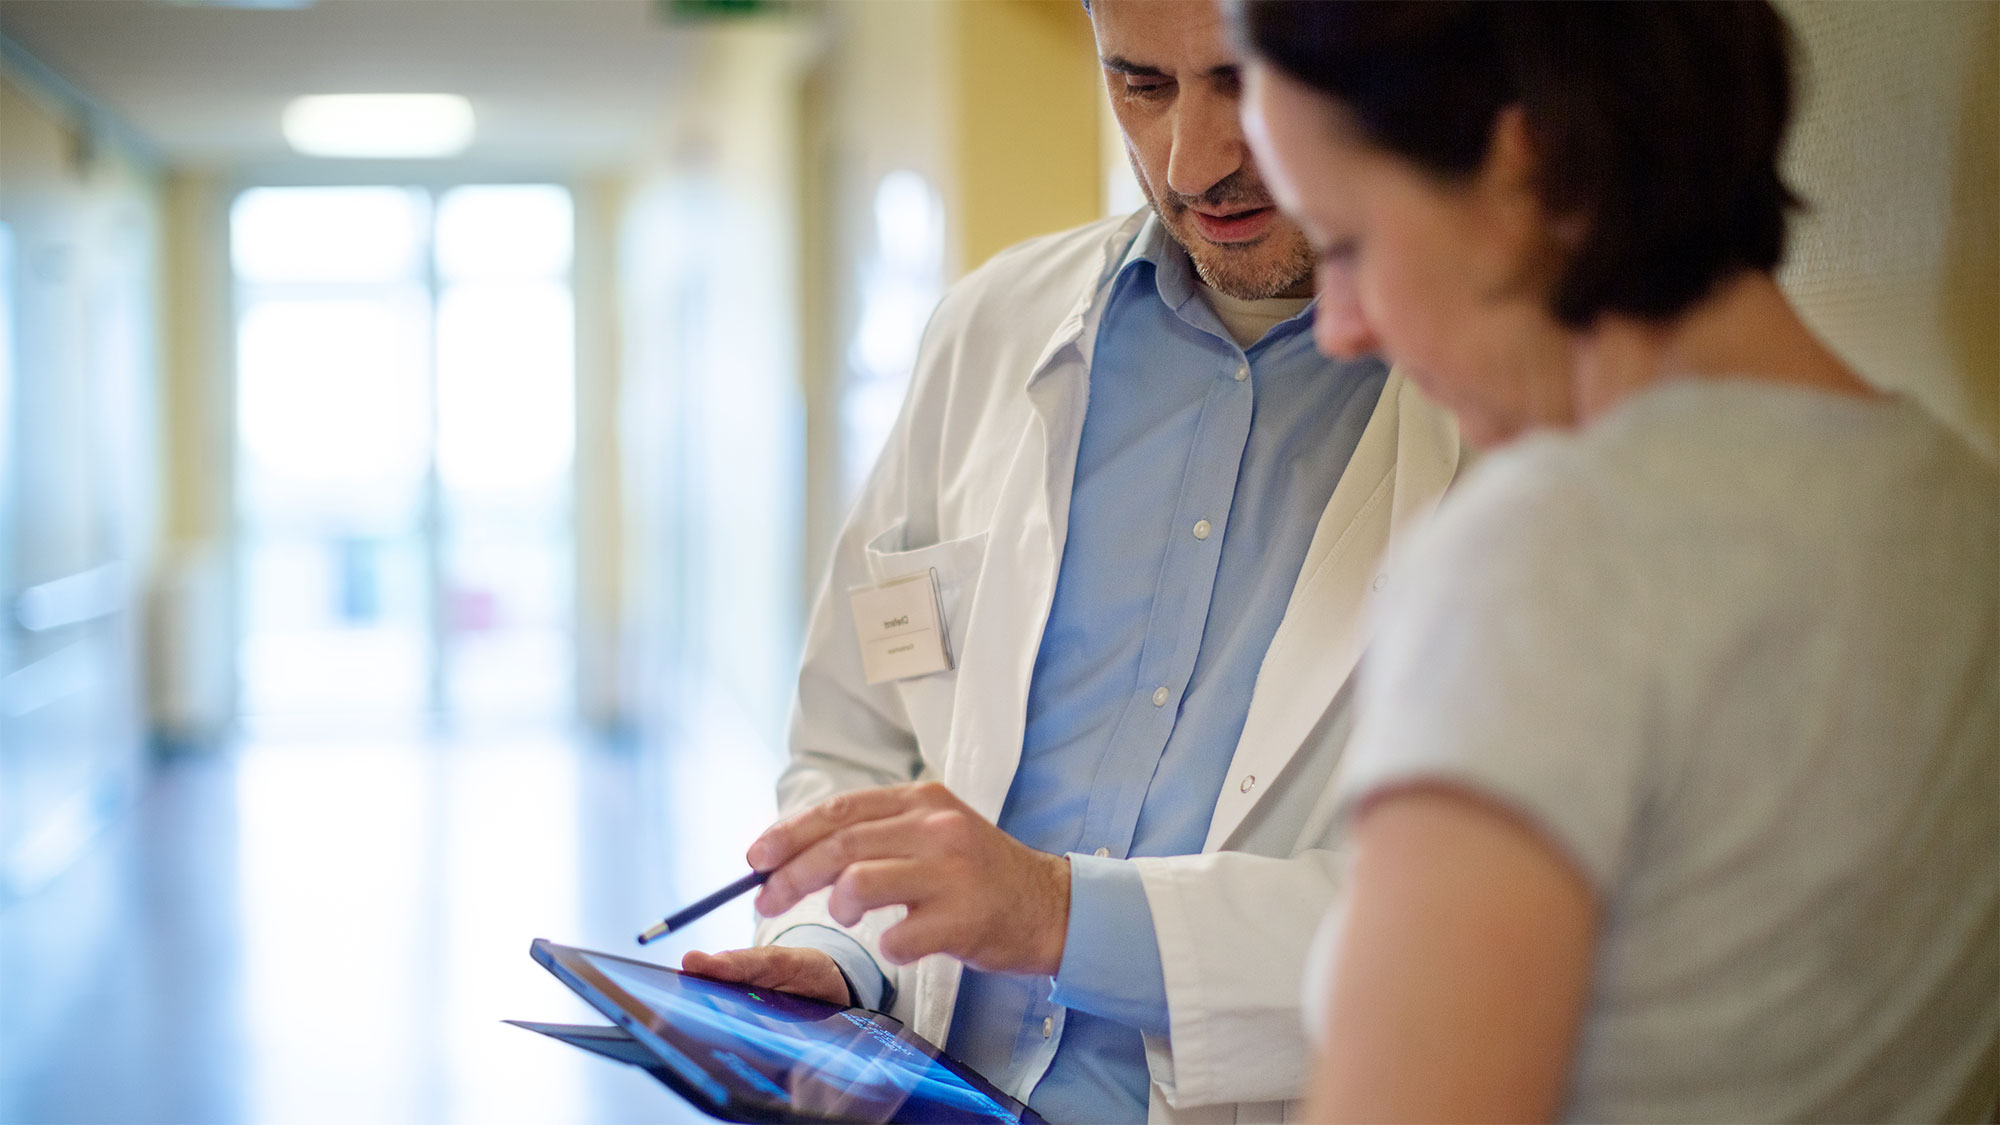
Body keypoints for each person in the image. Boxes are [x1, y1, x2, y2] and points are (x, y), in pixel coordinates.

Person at [681, 1, 1463, 1120]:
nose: (1195, 161)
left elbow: (1466, 919)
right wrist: (834, 955)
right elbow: (863, 739)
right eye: (1141, 87)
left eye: (1244, 81)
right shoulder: (991, 328)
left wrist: (1057, 914)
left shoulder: (1493, 400)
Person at [1227, 1, 2000, 1120]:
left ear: (1521, 173)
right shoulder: (1960, 517)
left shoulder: (1542, 556)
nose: (1339, 327)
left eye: (1344, 244)